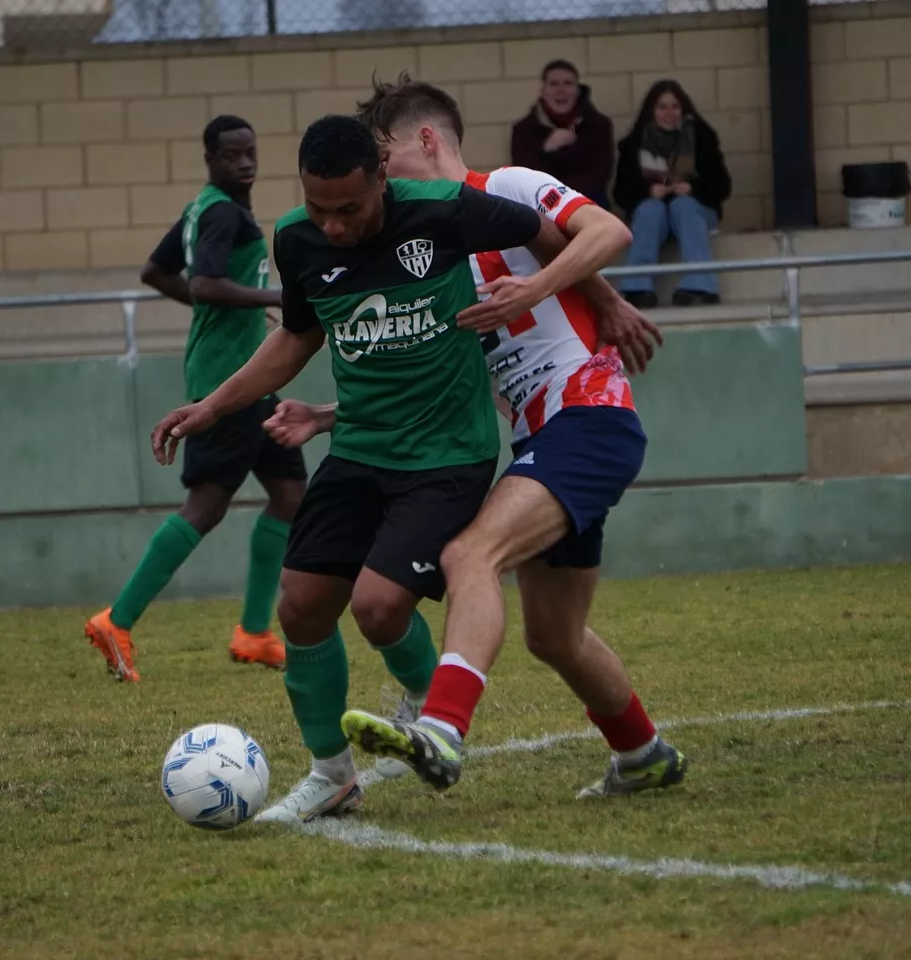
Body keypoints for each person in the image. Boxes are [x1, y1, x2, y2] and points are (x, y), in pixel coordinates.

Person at [151, 113, 640, 823]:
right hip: (359, 451)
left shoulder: (446, 211)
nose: (335, 225)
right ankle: (333, 776)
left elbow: (551, 234)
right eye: (321, 208)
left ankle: (432, 713)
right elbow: (296, 339)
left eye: (349, 209)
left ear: (382, 179)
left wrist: (586, 294)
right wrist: (212, 407)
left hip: (449, 453)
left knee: (380, 605)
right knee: (301, 605)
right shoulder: (297, 238)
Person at [265, 76, 686, 801]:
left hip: (587, 417)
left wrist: (558, 292)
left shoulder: (509, 187)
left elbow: (606, 231)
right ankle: (643, 753)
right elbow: (437, 369)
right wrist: (330, 416)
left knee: (470, 554)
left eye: (386, 160)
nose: (381, 182)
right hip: (539, 439)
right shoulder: (438, 243)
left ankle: (442, 730)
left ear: (425, 141)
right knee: (553, 636)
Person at [84, 115, 307, 680]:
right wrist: (271, 295)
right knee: (205, 508)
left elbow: (156, 271)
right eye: (232, 156)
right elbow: (205, 283)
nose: (245, 163)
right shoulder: (220, 213)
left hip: (252, 378)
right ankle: (118, 619)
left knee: (289, 495)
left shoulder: (204, 206)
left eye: (250, 152)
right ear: (211, 159)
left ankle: (254, 632)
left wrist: (230, 307)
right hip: (225, 384)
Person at [613, 80, 732, 308]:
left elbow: (722, 186)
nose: (669, 113)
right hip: (652, 211)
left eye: (675, 106)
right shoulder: (634, 143)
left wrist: (693, 189)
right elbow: (621, 193)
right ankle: (638, 288)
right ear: (652, 110)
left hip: (694, 209)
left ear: (683, 109)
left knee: (683, 206)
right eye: (662, 107)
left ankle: (701, 283)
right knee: (650, 209)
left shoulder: (702, 137)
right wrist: (648, 191)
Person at [509, 59, 616, 210]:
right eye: (553, 84)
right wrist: (547, 150)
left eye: (568, 83)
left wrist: (566, 199)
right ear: (543, 91)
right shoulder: (524, 129)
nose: (561, 90)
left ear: (577, 90)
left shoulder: (598, 125)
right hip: (542, 203)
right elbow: (527, 179)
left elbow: (599, 174)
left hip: (587, 200)